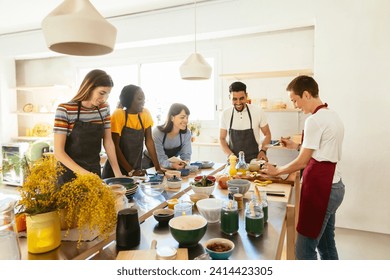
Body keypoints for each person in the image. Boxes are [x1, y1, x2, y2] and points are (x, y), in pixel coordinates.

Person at [261, 75, 345, 260]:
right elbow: (322, 151)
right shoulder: (332, 115)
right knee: (326, 245)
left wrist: (277, 171)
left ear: (306, 94)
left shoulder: (313, 120)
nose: (296, 106)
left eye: (295, 100)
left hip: (322, 190)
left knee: (304, 250)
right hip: (336, 186)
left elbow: (302, 162)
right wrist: (296, 146)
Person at [54, 69, 122, 185]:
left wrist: (118, 174)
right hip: (69, 174)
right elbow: (59, 152)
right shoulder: (65, 109)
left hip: (94, 171)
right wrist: (86, 175)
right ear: (89, 87)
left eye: (107, 94)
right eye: (101, 93)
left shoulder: (104, 108)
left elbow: (108, 142)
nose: (104, 99)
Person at [102, 84, 163, 178]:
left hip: (136, 169)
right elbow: (115, 146)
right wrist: (131, 171)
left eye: (143, 98)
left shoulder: (145, 113)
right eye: (139, 99)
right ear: (129, 100)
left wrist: (158, 168)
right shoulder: (118, 114)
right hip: (115, 172)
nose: (143, 102)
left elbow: (149, 141)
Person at [219, 81, 271, 163]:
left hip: (254, 161)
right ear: (229, 97)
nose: (238, 102)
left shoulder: (258, 111)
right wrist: (230, 155)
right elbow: (221, 138)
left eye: (241, 98)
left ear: (246, 96)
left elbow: (267, 134)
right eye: (234, 99)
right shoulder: (225, 114)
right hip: (234, 162)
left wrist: (263, 151)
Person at [143, 103, 192, 170]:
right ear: (172, 118)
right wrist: (171, 165)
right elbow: (160, 159)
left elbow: (186, 155)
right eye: (182, 117)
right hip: (149, 164)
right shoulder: (158, 132)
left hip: (168, 165)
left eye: (187, 117)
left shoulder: (186, 133)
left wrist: (185, 163)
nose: (186, 121)